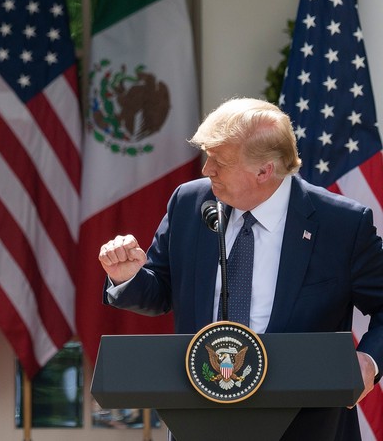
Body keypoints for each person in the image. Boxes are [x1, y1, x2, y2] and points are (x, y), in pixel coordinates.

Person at [98, 98, 383, 440]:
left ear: (265, 171)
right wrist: (127, 275)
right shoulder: (190, 203)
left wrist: (369, 361)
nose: (207, 170)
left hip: (307, 425)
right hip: (200, 418)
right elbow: (160, 290)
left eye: (220, 161)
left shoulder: (341, 224)